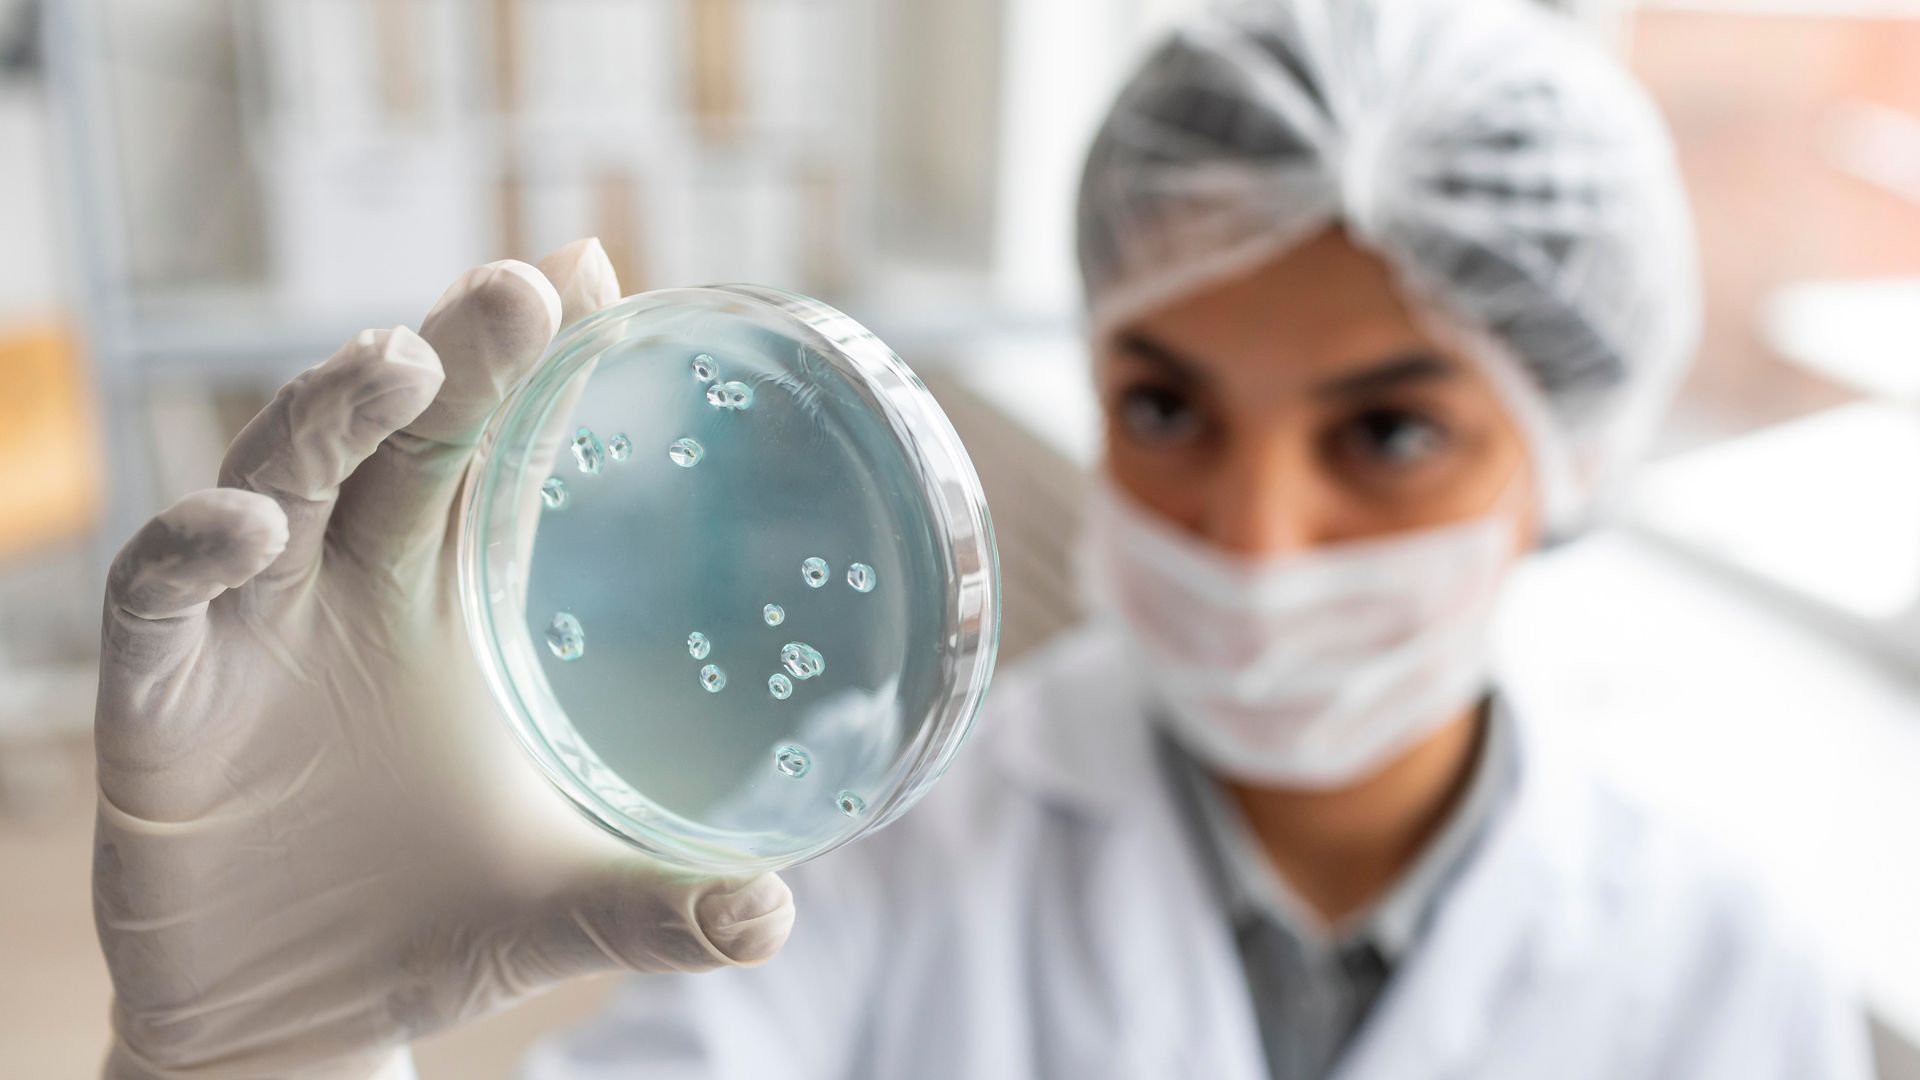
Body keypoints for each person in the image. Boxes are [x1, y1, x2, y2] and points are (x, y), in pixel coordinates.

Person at [91, 1, 1870, 1078]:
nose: (1253, 532)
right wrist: (270, 1057)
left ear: (1572, 455)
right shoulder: (846, 857)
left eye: (1391, 432)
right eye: (1168, 408)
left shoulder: (1730, 976)